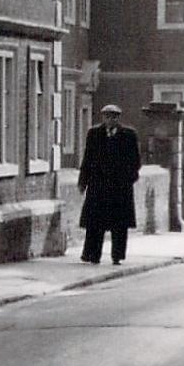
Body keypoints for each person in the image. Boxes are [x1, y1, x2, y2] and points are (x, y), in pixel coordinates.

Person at [78, 103, 142, 265]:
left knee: (119, 225)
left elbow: (135, 161)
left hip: (120, 188)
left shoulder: (129, 135)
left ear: (118, 118)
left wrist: (129, 179)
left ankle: (117, 255)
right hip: (98, 185)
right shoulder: (94, 134)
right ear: (103, 118)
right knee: (95, 223)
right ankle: (92, 255)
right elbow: (87, 159)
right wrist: (83, 181)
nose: (110, 120)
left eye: (113, 117)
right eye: (107, 116)